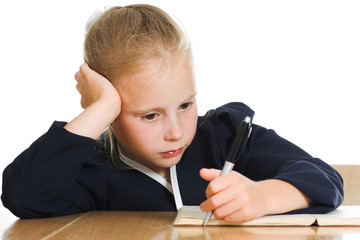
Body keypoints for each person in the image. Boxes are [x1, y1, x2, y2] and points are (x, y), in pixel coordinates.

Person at [1, 4, 343, 220]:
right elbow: (23, 196)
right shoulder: (89, 169)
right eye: (150, 115)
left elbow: (325, 180)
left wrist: (263, 196)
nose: (176, 131)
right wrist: (99, 107)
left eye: (185, 104)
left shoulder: (225, 133)